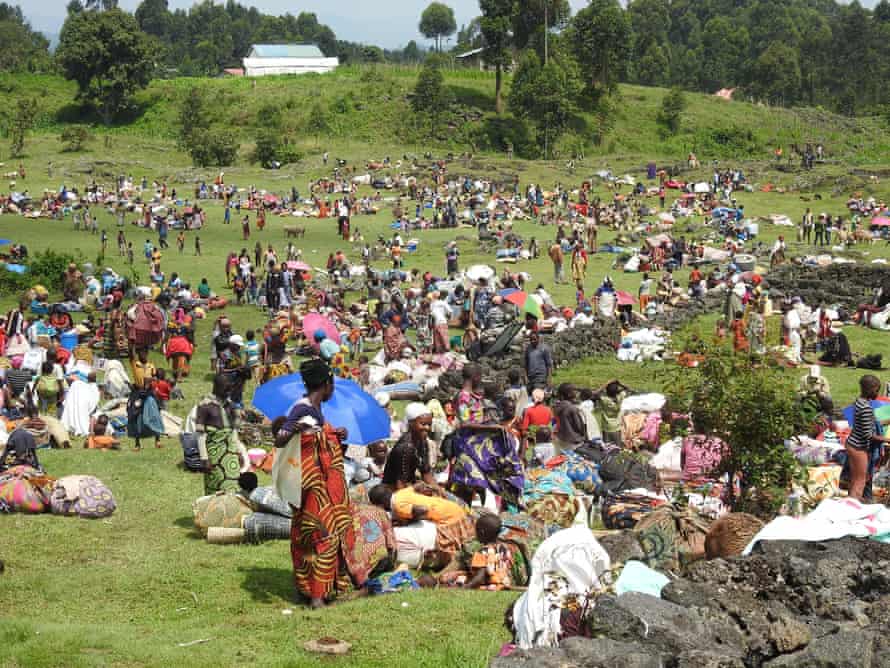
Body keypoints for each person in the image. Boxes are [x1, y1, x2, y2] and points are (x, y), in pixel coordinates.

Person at [273, 359, 354, 608]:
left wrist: (335, 434)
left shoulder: (316, 410)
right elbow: (279, 439)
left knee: (319, 532)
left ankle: (313, 589)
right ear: (327, 384)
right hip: (312, 486)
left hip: (325, 484)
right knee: (319, 533)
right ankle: (316, 596)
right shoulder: (302, 408)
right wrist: (292, 429)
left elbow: (320, 438)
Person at [195, 374, 248, 494]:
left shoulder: (230, 405)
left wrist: (238, 452)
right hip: (214, 454)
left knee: (234, 486)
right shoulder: (204, 405)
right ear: (216, 386)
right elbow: (200, 435)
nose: (229, 391)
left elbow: (234, 430)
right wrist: (204, 458)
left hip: (230, 453)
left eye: (230, 388)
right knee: (216, 487)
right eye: (226, 388)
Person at [845, 375, 890, 501]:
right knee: (860, 481)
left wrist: (886, 421)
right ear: (871, 389)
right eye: (877, 390)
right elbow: (868, 435)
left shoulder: (859, 401)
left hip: (852, 443)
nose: (877, 393)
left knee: (855, 479)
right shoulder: (866, 408)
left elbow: (868, 424)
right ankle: (854, 506)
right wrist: (887, 440)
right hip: (858, 447)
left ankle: (851, 501)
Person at [382, 403, 436, 489]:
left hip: (410, 485)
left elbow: (426, 472)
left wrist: (437, 489)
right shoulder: (405, 448)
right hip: (393, 490)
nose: (427, 428)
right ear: (411, 423)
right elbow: (400, 484)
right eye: (423, 424)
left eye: (429, 424)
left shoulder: (422, 442)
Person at [370, 483, 466, 525]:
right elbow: (418, 486)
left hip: (449, 518)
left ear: (380, 505)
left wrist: (408, 521)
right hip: (452, 507)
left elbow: (423, 510)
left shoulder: (398, 507)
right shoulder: (400, 493)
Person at [127, 377, 165, 450]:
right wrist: (134, 389)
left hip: (149, 401)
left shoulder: (151, 386)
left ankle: (158, 441)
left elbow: (151, 388)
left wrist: (147, 390)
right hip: (137, 401)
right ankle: (137, 444)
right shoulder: (137, 377)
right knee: (137, 422)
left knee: (155, 420)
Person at [553, 384, 587, 454]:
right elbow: (579, 426)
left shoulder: (556, 407)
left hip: (561, 439)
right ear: (569, 394)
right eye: (574, 391)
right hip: (574, 441)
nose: (577, 393)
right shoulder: (572, 408)